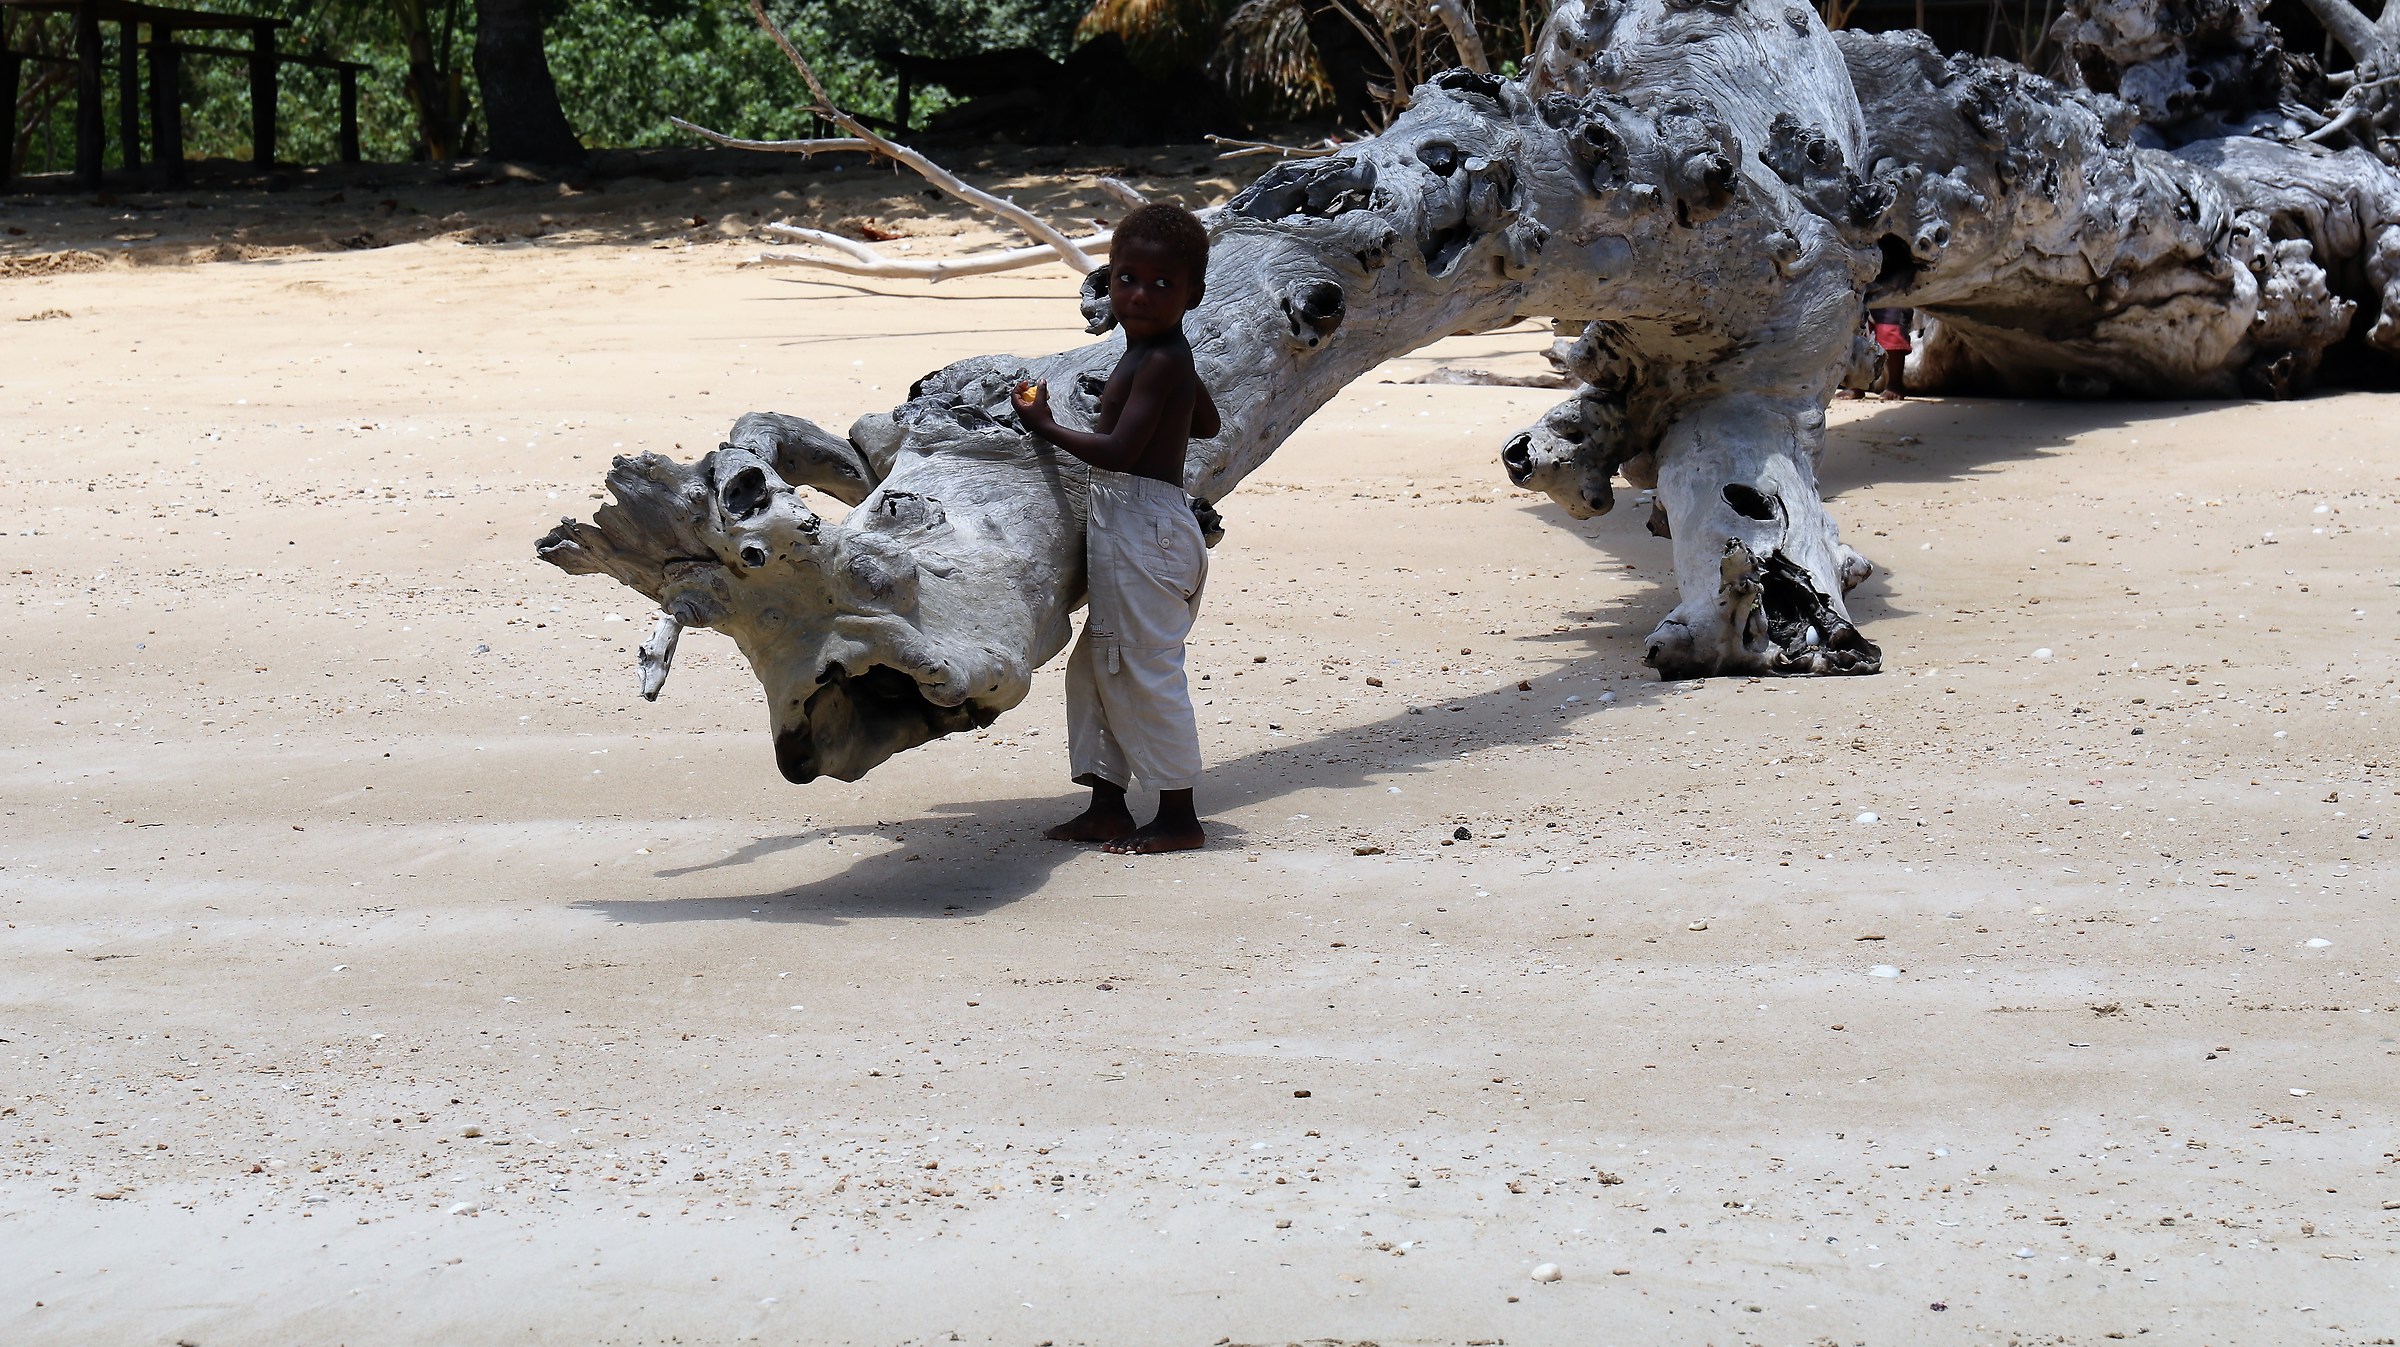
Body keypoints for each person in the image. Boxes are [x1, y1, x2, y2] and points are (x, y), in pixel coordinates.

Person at [1013, 203, 1221, 854]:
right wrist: (1170, 404)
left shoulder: (1159, 360)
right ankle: (1107, 802)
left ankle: (1178, 814)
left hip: (1144, 525)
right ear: (1108, 280)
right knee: (1100, 664)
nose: (1141, 294)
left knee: (1143, 667)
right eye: (1128, 278)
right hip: (1138, 521)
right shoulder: (1162, 353)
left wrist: (1044, 424)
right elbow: (1207, 422)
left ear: (1194, 293)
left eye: (1163, 284)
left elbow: (1119, 451)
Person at [1870, 306, 1913, 401]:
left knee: (1891, 333)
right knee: (1857, 335)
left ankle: (1895, 383)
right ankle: (1855, 384)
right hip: (1859, 294)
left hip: (1892, 295)